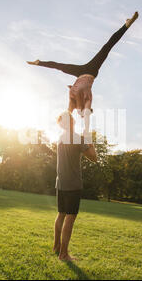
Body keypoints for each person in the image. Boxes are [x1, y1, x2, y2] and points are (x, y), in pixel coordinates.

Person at [27, 12, 139, 135]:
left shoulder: (78, 102)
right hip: (86, 71)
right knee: (105, 48)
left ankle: (39, 62)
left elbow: (74, 112)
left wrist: (82, 128)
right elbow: (75, 112)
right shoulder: (78, 102)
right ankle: (126, 25)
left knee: (103, 49)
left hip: (84, 72)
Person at [53, 111, 97, 261]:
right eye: (72, 118)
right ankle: (63, 254)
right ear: (71, 122)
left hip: (61, 182)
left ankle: (56, 247)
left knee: (61, 214)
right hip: (73, 184)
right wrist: (89, 139)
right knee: (70, 218)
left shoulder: (60, 138)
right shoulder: (77, 138)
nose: (74, 120)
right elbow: (94, 158)